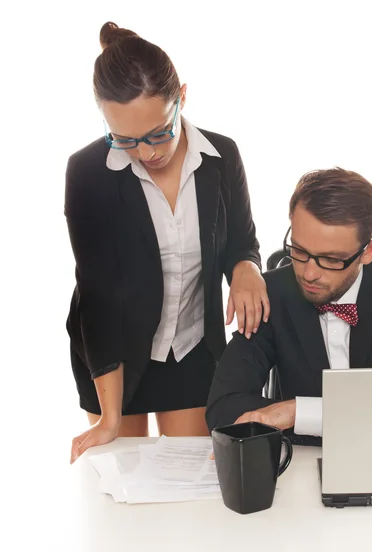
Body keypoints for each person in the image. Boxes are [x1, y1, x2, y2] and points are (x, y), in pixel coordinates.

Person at [66, 22, 269, 463]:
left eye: (159, 133)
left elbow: (241, 240)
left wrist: (246, 269)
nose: (146, 153)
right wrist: (109, 415)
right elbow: (96, 298)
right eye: (125, 139)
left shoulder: (222, 157)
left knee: (189, 481)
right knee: (125, 482)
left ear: (181, 96)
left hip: (191, 349)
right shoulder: (87, 173)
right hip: (112, 356)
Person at [206, 168, 372, 444]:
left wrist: (300, 413)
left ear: (368, 252)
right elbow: (222, 409)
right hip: (302, 465)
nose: (309, 273)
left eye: (331, 260)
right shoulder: (270, 293)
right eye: (299, 251)